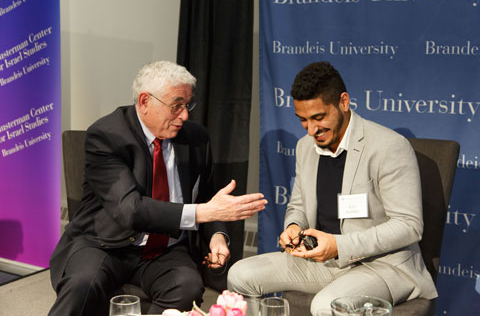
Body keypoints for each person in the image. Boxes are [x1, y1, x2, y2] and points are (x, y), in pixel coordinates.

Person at [49, 61, 267, 316]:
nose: (184, 115)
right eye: (176, 106)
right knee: (81, 285)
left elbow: (207, 198)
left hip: (164, 249)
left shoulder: (196, 138)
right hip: (104, 244)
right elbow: (130, 210)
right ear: (144, 101)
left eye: (187, 105)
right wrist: (203, 213)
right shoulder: (108, 135)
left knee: (188, 287)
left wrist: (217, 236)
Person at [227, 61, 437, 315]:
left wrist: (340, 245)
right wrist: (293, 227)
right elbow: (298, 206)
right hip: (323, 261)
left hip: (382, 265)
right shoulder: (305, 147)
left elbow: (409, 225)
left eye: (319, 117)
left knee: (327, 306)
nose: (312, 129)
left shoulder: (389, 146)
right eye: (303, 120)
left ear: (344, 102)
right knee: (240, 274)